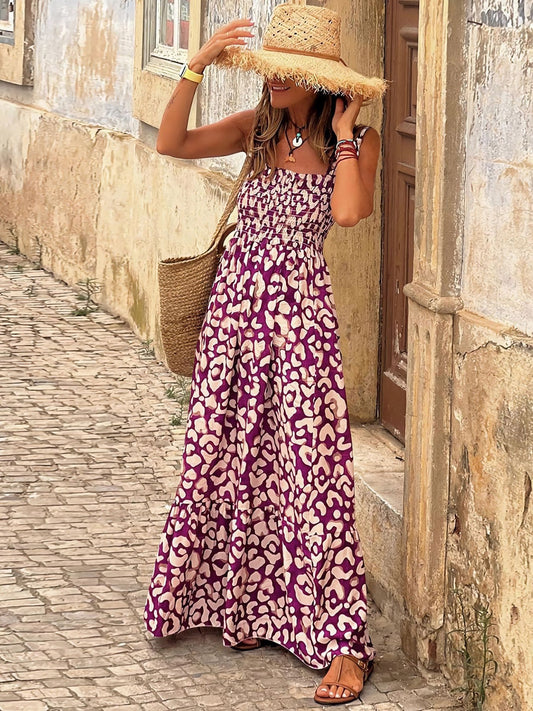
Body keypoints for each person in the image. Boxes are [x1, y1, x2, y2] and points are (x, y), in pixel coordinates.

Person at [144, 3, 387, 706]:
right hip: (232, 315)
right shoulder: (254, 131)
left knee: (314, 473)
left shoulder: (359, 140)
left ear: (322, 82)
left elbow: (346, 214)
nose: (276, 81)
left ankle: (345, 647)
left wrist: (342, 137)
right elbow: (171, 142)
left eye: (291, 72)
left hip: (300, 323)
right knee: (225, 459)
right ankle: (247, 608)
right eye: (270, 69)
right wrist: (193, 65)